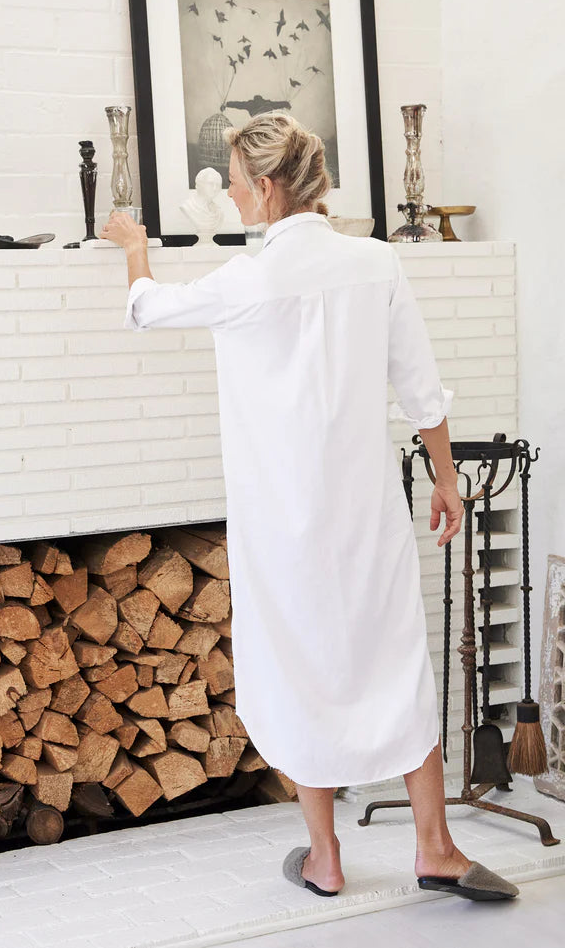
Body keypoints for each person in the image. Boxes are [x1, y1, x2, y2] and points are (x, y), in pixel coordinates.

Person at [100, 113, 519, 903]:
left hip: (282, 527)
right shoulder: (375, 262)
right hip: (366, 515)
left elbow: (147, 308)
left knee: (297, 673)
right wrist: (445, 478)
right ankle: (436, 846)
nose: (228, 189)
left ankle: (325, 858)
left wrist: (132, 245)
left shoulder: (247, 279)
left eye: (232, 178)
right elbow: (419, 383)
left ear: (264, 188)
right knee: (396, 662)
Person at [179, 166, 224, 244]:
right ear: (200, 184)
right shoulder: (188, 207)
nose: (214, 188)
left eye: (218, 185)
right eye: (211, 183)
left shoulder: (219, 212)